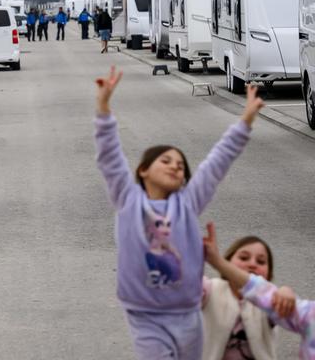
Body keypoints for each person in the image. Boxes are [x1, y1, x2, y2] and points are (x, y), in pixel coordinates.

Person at [94, 67, 264, 360]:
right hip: (145, 316)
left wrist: (245, 121)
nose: (175, 166)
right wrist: (104, 108)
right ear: (143, 170)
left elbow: (216, 164)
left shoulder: (186, 204)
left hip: (187, 313)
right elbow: (109, 157)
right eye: (166, 160)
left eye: (181, 166)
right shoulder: (128, 199)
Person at [203, 222, 314, 360]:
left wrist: (285, 291)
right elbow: (186, 287)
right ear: (227, 262)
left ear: (268, 275)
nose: (252, 264)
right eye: (244, 258)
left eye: (261, 262)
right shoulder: (210, 288)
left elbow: (280, 303)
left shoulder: (269, 303)